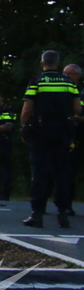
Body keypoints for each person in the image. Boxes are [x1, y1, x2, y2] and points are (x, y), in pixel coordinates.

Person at [20, 50, 81, 228]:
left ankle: (37, 214)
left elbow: (27, 109)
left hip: (41, 130)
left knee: (39, 173)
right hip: (63, 131)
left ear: (42, 64)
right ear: (58, 64)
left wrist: (23, 127)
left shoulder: (36, 81)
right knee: (61, 172)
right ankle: (63, 214)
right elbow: (77, 109)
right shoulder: (69, 82)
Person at [64, 64, 84, 205]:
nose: (66, 76)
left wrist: (80, 119)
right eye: (65, 73)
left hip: (81, 132)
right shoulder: (60, 91)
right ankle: (65, 203)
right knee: (66, 169)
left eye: (70, 73)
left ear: (78, 76)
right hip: (65, 133)